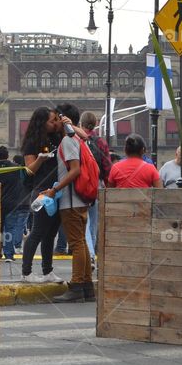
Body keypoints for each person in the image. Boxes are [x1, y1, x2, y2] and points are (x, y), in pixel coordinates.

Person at [44, 103, 93, 303]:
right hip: (79, 199)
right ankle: (87, 287)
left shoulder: (68, 140)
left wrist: (55, 189)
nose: (53, 123)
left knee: (76, 243)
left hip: (71, 200)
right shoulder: (79, 139)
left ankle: (76, 286)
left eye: (56, 119)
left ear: (64, 119)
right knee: (81, 242)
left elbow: (75, 170)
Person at [19, 107, 64, 284]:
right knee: (37, 231)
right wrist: (40, 159)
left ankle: (47, 271)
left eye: (55, 120)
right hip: (42, 191)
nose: (55, 123)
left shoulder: (57, 137)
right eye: (51, 121)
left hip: (56, 189)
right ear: (41, 123)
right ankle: (26, 272)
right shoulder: (32, 142)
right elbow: (29, 170)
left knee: (51, 233)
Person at [0, 146, 27, 261]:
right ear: (8, 155)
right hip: (12, 203)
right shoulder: (15, 168)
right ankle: (9, 254)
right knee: (10, 229)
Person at [80, 111, 110, 264]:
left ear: (81, 123)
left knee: (84, 221)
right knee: (93, 222)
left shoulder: (77, 139)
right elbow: (107, 167)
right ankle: (91, 256)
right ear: (96, 124)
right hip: (96, 185)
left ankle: (90, 254)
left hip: (80, 185)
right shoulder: (101, 142)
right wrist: (107, 184)